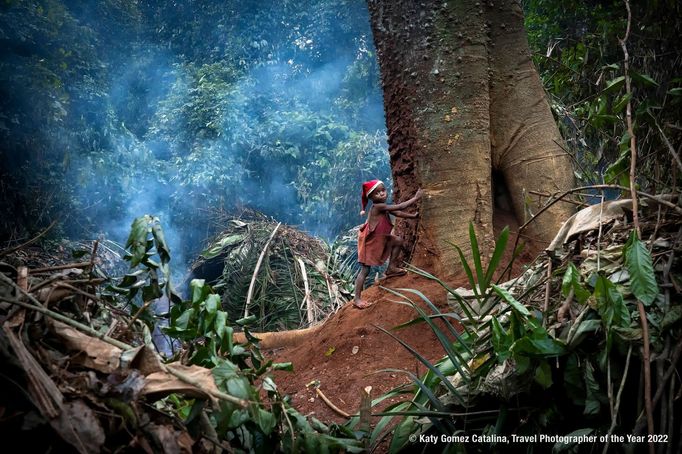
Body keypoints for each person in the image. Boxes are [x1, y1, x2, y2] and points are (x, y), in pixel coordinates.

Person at [353, 179, 422, 309]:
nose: (381, 194)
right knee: (365, 270)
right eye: (377, 193)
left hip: (381, 239)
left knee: (398, 241)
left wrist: (413, 216)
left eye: (383, 190)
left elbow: (398, 213)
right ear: (371, 197)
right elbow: (400, 207)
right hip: (369, 243)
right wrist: (416, 198)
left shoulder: (384, 207)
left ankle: (391, 268)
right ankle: (357, 299)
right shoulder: (378, 207)